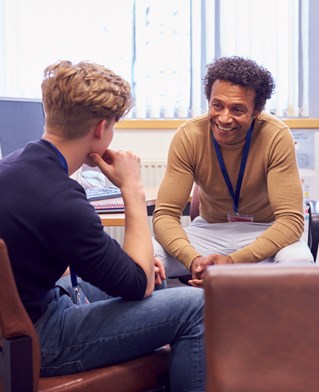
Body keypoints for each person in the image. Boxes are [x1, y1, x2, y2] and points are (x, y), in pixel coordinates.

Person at [0, 60, 205, 391]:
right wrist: (132, 190)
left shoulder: (14, 164)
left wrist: (137, 271)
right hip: (39, 339)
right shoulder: (61, 200)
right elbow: (137, 285)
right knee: (197, 306)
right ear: (101, 129)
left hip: (24, 317)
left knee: (158, 280)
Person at [153, 56, 314, 287]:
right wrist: (194, 261)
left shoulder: (276, 136)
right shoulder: (189, 135)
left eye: (237, 109)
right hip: (209, 231)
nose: (224, 118)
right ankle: (169, 320)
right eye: (217, 105)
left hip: (265, 231)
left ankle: (275, 324)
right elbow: (165, 214)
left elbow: (290, 221)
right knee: (147, 258)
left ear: (257, 111)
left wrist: (233, 261)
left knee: (299, 265)